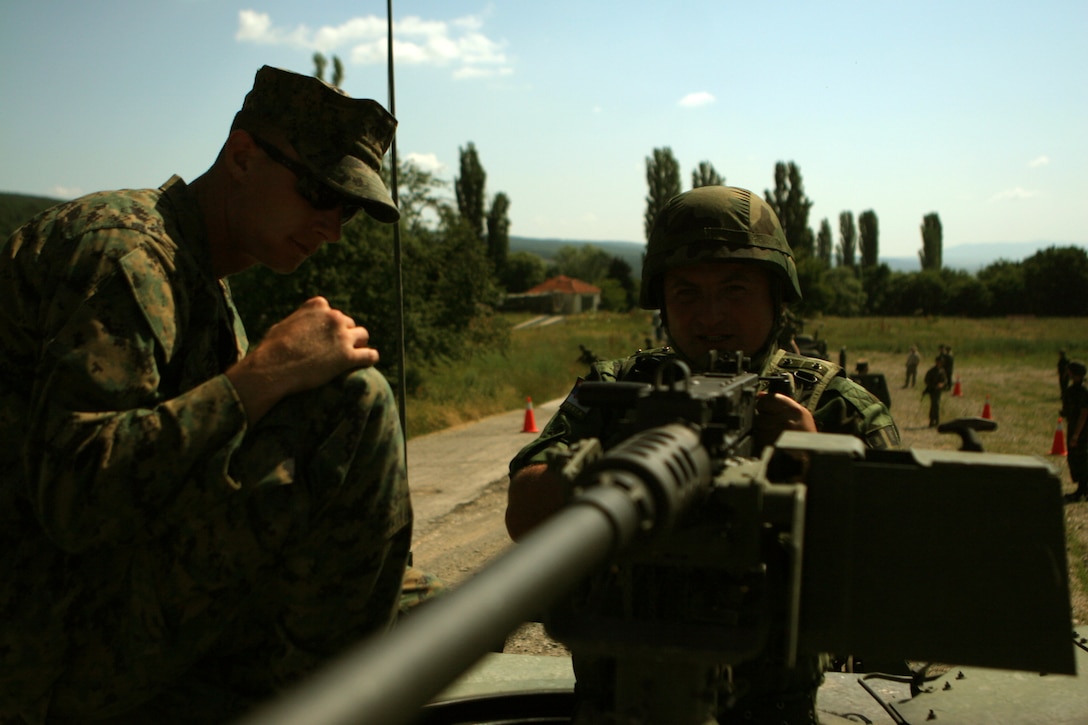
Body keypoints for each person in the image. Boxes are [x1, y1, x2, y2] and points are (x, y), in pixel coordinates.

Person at [0, 66, 422, 722]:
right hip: (45, 648)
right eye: (319, 192)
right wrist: (262, 375)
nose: (332, 226)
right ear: (242, 157)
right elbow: (76, 495)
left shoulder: (200, 278)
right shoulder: (126, 255)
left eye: (349, 209)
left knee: (429, 606)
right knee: (354, 404)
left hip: (90, 609)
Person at [505, 186, 899, 723]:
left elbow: (893, 572)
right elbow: (523, 514)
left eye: (734, 289)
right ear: (663, 303)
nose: (710, 315)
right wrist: (630, 451)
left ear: (776, 298)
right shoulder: (616, 391)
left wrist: (818, 464)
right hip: (615, 703)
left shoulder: (835, 408)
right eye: (687, 293)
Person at [1062, 361, 1088, 503]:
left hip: (1081, 430)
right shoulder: (1073, 389)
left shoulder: (1082, 391)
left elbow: (1084, 413)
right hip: (1074, 427)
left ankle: (1082, 491)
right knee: (1074, 459)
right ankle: (1082, 489)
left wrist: (1076, 435)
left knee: (1080, 460)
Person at [923, 355, 949, 427]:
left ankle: (936, 421)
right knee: (934, 405)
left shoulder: (942, 371)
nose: (939, 363)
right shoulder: (931, 371)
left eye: (941, 362)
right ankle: (932, 420)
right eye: (938, 362)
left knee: (936, 405)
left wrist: (942, 384)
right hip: (932, 390)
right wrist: (933, 385)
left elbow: (945, 380)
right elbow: (926, 380)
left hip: (938, 391)